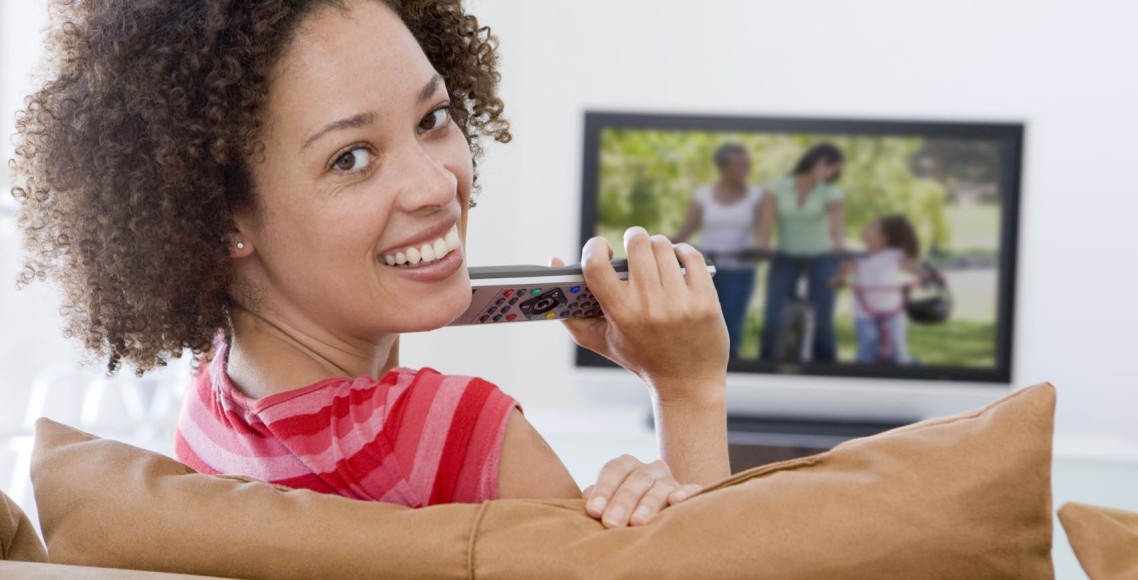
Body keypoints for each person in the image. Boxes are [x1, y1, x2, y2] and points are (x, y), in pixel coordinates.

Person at [10, 0, 730, 530]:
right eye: (350, 158)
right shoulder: (459, 435)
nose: (436, 185)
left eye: (432, 119)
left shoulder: (213, 406)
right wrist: (687, 388)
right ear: (220, 217)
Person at [756, 143, 847, 362]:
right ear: (813, 160)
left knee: (822, 319)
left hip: (822, 257)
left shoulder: (832, 193)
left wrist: (840, 251)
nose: (830, 173)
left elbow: (836, 227)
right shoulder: (777, 187)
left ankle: (826, 367)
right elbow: (766, 221)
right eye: (827, 165)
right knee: (773, 316)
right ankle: (766, 364)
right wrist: (762, 244)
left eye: (834, 170)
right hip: (786, 256)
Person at [674, 143, 764, 358]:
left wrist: (759, 249)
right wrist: (659, 243)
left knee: (730, 326)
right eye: (740, 164)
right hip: (705, 268)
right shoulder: (703, 195)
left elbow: (763, 235)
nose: (746, 168)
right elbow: (685, 232)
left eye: (747, 164)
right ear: (724, 167)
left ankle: (728, 369)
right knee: (698, 322)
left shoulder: (757, 196)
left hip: (739, 269)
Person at [830, 215, 927, 364]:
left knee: (898, 347)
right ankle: (862, 378)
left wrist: (925, 274)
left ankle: (904, 375)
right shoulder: (858, 257)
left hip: (892, 310)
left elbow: (910, 265)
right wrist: (838, 281)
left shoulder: (894, 255)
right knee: (867, 344)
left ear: (883, 238)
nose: (865, 229)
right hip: (864, 311)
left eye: (871, 227)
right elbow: (843, 274)